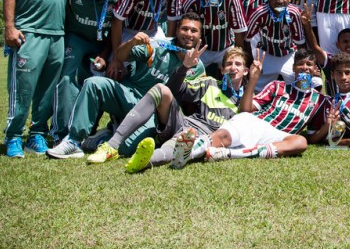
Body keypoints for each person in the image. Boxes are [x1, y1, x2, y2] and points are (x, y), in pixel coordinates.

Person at [46, 13, 205, 159]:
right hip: (129, 95)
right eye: (185, 29)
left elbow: (191, 102)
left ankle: (106, 135)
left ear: (200, 36)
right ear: (177, 30)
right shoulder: (159, 45)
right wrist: (132, 42)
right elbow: (120, 56)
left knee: (127, 149)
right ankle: (73, 141)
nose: (188, 34)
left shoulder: (198, 67)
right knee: (93, 83)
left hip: (152, 114)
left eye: (194, 31)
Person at [86, 46, 247, 172]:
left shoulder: (247, 101)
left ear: (245, 71)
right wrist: (184, 67)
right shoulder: (210, 83)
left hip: (203, 138)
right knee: (161, 89)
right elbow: (175, 89)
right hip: (183, 124)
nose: (233, 68)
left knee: (181, 143)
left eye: (238, 64)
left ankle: (144, 161)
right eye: (229, 64)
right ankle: (111, 145)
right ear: (222, 69)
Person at [2, 0, 71, 157]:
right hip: (28, 32)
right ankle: (13, 136)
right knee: (23, 89)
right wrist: (9, 27)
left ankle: (37, 134)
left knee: (47, 92)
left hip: (57, 34)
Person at [183, 49, 328, 163]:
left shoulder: (319, 100)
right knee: (223, 136)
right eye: (300, 64)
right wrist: (253, 79)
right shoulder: (277, 86)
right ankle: (187, 152)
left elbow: (311, 138)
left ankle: (229, 153)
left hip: (278, 136)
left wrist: (328, 125)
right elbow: (245, 110)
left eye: (309, 64)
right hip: (257, 123)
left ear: (315, 69)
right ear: (293, 68)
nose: (304, 67)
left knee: (300, 142)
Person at [54, 0, 121, 142]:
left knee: (95, 81)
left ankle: (88, 130)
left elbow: (117, 28)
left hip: (101, 44)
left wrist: (105, 54)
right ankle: (62, 132)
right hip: (76, 38)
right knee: (66, 78)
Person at [182, 0, 247, 70]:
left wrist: (237, 57)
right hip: (200, 50)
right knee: (187, 75)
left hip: (226, 48)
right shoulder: (191, 1)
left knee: (236, 72)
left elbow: (239, 32)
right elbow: (182, 31)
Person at [245, 0, 305, 91]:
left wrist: (300, 67)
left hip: (289, 54)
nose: (280, 1)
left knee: (306, 84)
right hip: (266, 54)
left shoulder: (294, 13)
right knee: (253, 86)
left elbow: (300, 44)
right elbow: (246, 40)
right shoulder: (259, 12)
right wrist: (250, 63)